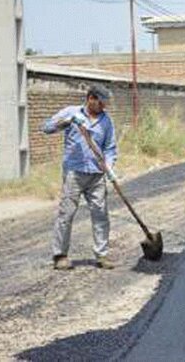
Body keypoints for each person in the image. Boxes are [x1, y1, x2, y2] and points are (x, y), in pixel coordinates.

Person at [43, 84, 117, 270]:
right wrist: (67, 122)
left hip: (97, 175)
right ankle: (60, 255)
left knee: (100, 214)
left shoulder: (106, 121)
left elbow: (110, 148)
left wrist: (109, 166)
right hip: (74, 174)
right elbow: (46, 127)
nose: (104, 107)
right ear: (90, 98)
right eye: (101, 103)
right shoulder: (71, 112)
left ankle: (102, 255)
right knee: (66, 214)